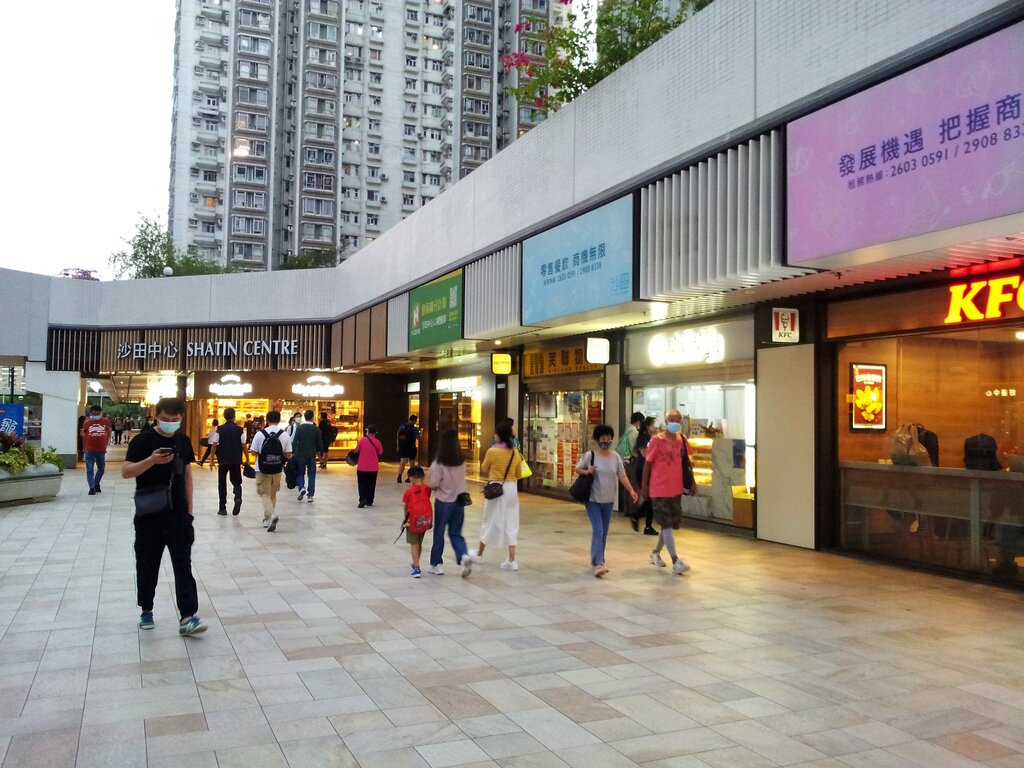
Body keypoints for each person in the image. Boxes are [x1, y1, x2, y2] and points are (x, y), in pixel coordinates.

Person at [121, 397, 206, 636]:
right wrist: (151, 460)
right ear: (156, 416)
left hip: (178, 515)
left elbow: (187, 475)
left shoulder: (183, 440)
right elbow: (126, 472)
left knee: (183, 565)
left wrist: (189, 512)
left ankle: (188, 616)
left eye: (175, 420)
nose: (170, 424)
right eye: (166, 420)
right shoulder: (143, 440)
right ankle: (146, 609)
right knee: (148, 564)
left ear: (181, 419)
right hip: (149, 515)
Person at [575, 425, 639, 577]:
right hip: (593, 499)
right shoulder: (590, 456)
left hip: (609, 500)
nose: (606, 441)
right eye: (603, 438)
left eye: (608, 438)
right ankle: (599, 563)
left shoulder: (615, 457)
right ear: (597, 440)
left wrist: (631, 490)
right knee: (598, 530)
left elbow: (622, 476)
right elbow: (577, 469)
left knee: (603, 533)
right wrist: (587, 471)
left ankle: (596, 558)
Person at [640, 408, 693, 575]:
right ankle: (675, 561)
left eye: (677, 420)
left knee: (668, 525)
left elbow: (688, 463)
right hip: (659, 488)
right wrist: (644, 485)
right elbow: (648, 463)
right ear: (665, 420)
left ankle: (655, 553)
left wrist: (693, 482)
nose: (675, 423)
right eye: (671, 420)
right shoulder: (657, 440)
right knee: (667, 524)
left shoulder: (682, 440)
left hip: (675, 488)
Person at [467, 420, 524, 571]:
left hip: (495, 489)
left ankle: (479, 553)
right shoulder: (515, 452)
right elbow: (519, 474)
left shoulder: (492, 451)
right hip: (511, 489)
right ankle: (512, 560)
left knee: (489, 520)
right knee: (512, 521)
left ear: (499, 436)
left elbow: (484, 467)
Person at [427, 428, 472, 578]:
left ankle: (436, 564)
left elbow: (432, 483)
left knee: (439, 533)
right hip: (459, 501)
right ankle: (463, 555)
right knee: (456, 532)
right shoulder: (461, 461)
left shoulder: (438, 463)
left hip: (444, 502)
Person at [250, 411, 294, 532]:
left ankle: (270, 516)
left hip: (262, 468)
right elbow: (288, 454)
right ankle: (267, 518)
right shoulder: (284, 435)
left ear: (267, 420)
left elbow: (253, 451)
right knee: (273, 494)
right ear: (279, 420)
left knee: (264, 493)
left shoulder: (260, 434)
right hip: (277, 468)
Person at [212, 407, 246, 516]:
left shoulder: (219, 429)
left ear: (224, 416)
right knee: (236, 481)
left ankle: (222, 508)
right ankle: (237, 497)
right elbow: (243, 445)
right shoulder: (240, 429)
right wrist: (247, 458)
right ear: (234, 416)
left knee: (222, 483)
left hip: (223, 460)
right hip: (236, 459)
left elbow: (214, 444)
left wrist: (212, 459)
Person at [402, 466, 432, 578]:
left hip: (412, 520)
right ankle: (415, 563)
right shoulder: (427, 489)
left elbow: (406, 506)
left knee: (413, 544)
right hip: (424, 520)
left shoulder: (409, 491)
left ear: (412, 477)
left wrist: (405, 519)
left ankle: (417, 567)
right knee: (419, 543)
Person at [631, 416, 659, 536]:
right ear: (648, 426)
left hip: (652, 471)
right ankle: (645, 523)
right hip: (643, 471)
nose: (655, 427)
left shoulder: (651, 438)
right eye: (653, 424)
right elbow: (647, 455)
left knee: (650, 499)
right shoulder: (643, 438)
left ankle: (639, 518)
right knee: (649, 498)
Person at [292, 409, 324, 503]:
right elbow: (319, 444)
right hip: (311, 455)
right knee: (312, 474)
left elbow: (294, 441)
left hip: (300, 454)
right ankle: (310, 495)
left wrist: (291, 452)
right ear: (312, 417)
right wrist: (321, 455)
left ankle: (301, 487)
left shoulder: (300, 428)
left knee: (300, 472)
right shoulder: (316, 429)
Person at [82, 405, 111, 495]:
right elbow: (84, 435)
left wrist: (106, 442)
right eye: (94, 413)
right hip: (89, 449)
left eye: (98, 413)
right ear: (91, 413)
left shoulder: (105, 421)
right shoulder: (86, 423)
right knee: (89, 469)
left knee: (101, 468)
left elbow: (109, 432)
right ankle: (92, 487)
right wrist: (83, 447)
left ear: (100, 413)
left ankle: (96, 483)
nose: (96, 415)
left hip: (101, 449)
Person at [355, 425, 384, 508]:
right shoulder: (377, 442)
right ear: (375, 433)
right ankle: (370, 500)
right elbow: (380, 452)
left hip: (362, 467)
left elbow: (356, 450)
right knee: (371, 484)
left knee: (362, 483)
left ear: (367, 431)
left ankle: (362, 499)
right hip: (373, 467)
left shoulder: (362, 440)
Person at [396, 415, 420, 482]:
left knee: (402, 462)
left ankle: (399, 476)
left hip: (403, 447)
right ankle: (409, 478)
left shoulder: (402, 427)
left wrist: (398, 446)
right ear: (414, 420)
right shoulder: (414, 429)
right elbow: (419, 438)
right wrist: (421, 433)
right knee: (412, 463)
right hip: (412, 447)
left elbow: (398, 436)